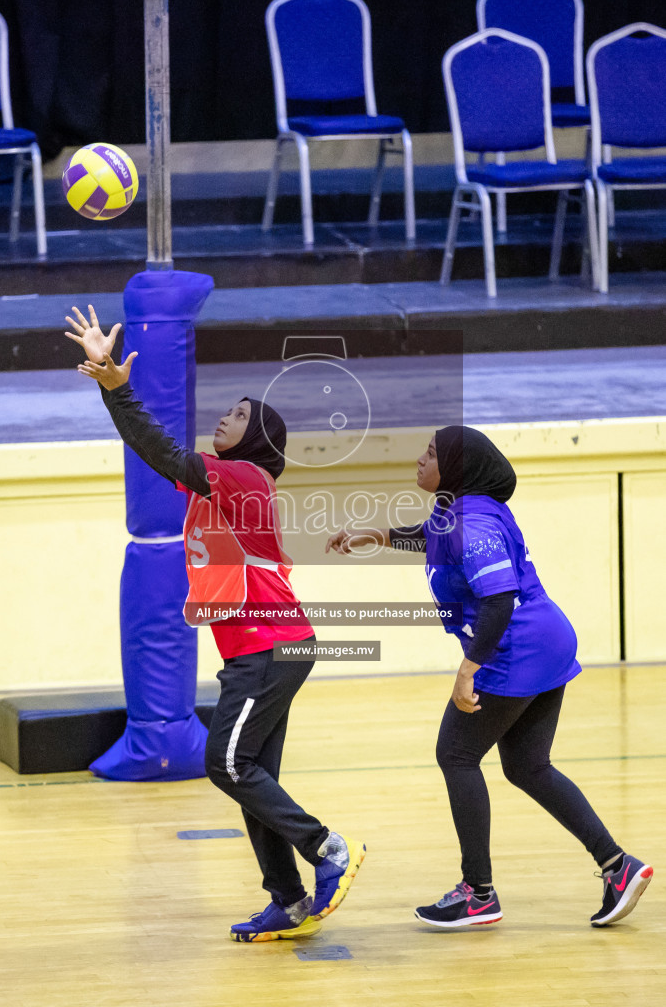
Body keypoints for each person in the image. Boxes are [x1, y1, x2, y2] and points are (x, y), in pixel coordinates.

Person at [66, 304, 365, 943]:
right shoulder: (230, 484)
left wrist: (116, 387)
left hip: (269, 646)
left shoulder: (241, 479)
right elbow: (166, 461)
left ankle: (328, 849)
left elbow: (161, 452)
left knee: (226, 766)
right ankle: (286, 901)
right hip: (261, 650)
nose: (223, 419)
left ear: (257, 439)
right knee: (253, 776)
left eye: (237, 415)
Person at [326, 425, 652, 930]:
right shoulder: (462, 510)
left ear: (455, 469)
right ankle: (617, 866)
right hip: (547, 641)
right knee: (527, 766)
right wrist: (383, 535)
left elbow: (498, 601)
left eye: (431, 453)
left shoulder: (469, 521)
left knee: (455, 753)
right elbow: (440, 543)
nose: (420, 459)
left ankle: (478, 894)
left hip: (515, 648)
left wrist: (468, 669)